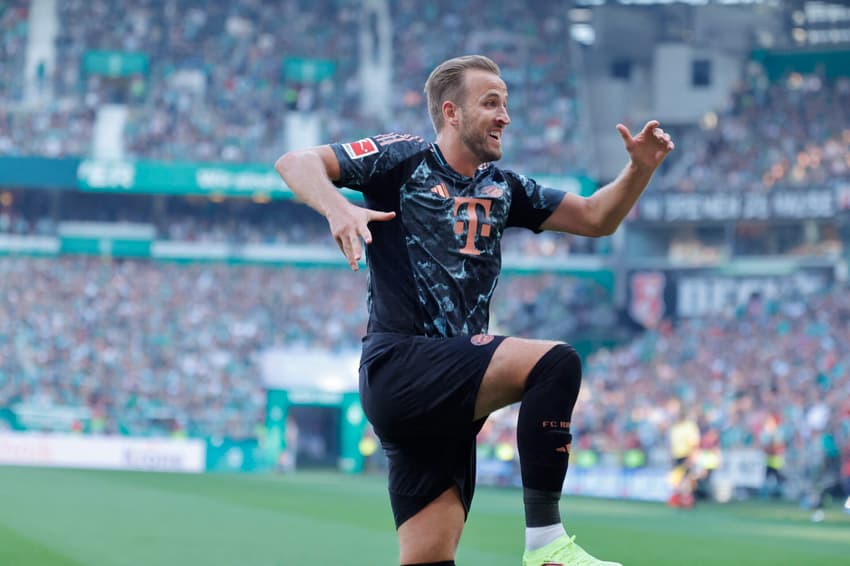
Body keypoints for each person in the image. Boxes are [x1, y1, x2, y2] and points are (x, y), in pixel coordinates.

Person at [275, 54, 674, 566]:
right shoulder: (404, 157)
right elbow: (295, 162)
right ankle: (547, 545)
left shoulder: (505, 188)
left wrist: (638, 170)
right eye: (491, 103)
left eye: (506, 104)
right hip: (401, 366)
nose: (505, 115)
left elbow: (597, 218)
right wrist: (339, 207)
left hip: (446, 402)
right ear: (451, 112)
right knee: (555, 363)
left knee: (429, 560)